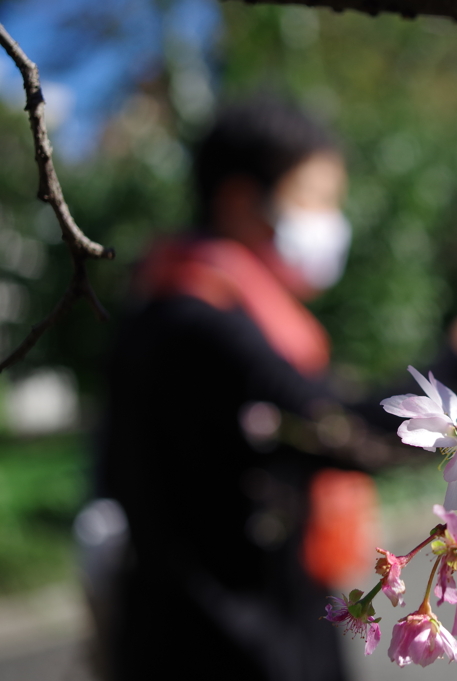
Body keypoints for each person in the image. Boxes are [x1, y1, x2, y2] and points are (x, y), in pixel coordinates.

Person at [92, 98, 380, 681]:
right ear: (241, 201)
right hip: (225, 640)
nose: (332, 221)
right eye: (318, 199)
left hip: (252, 622)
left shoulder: (202, 303)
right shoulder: (196, 321)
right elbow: (333, 424)